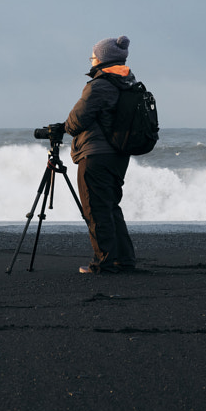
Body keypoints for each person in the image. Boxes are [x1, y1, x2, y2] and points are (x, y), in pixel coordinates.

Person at [64, 36, 138, 274]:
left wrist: (63, 127)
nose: (91, 60)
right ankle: (123, 260)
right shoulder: (127, 81)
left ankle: (103, 263)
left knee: (96, 209)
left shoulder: (100, 85)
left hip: (95, 155)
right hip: (118, 155)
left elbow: (76, 122)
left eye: (93, 56)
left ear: (102, 59)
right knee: (111, 206)